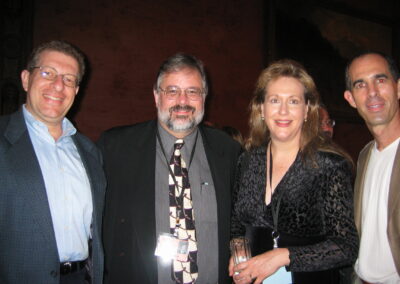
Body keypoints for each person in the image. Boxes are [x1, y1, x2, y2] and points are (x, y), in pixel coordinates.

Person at [98, 53, 242, 284]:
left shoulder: (228, 151)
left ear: (204, 97)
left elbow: (242, 220)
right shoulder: (116, 148)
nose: (182, 101)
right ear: (156, 96)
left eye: (192, 91)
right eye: (172, 91)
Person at [229, 59, 358, 284]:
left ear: (307, 109)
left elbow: (346, 247)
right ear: (261, 108)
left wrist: (284, 256)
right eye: (274, 100)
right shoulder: (248, 160)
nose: (283, 111)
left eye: (294, 101)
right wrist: (236, 250)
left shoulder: (329, 165)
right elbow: (237, 224)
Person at [0, 40, 106, 283]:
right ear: (26, 79)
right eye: (48, 73)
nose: (58, 85)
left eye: (69, 79)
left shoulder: (90, 152)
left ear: (76, 91)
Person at [344, 52, 400, 284]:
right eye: (361, 84)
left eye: (380, 80)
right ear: (351, 98)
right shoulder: (365, 155)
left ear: (398, 87)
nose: (372, 92)